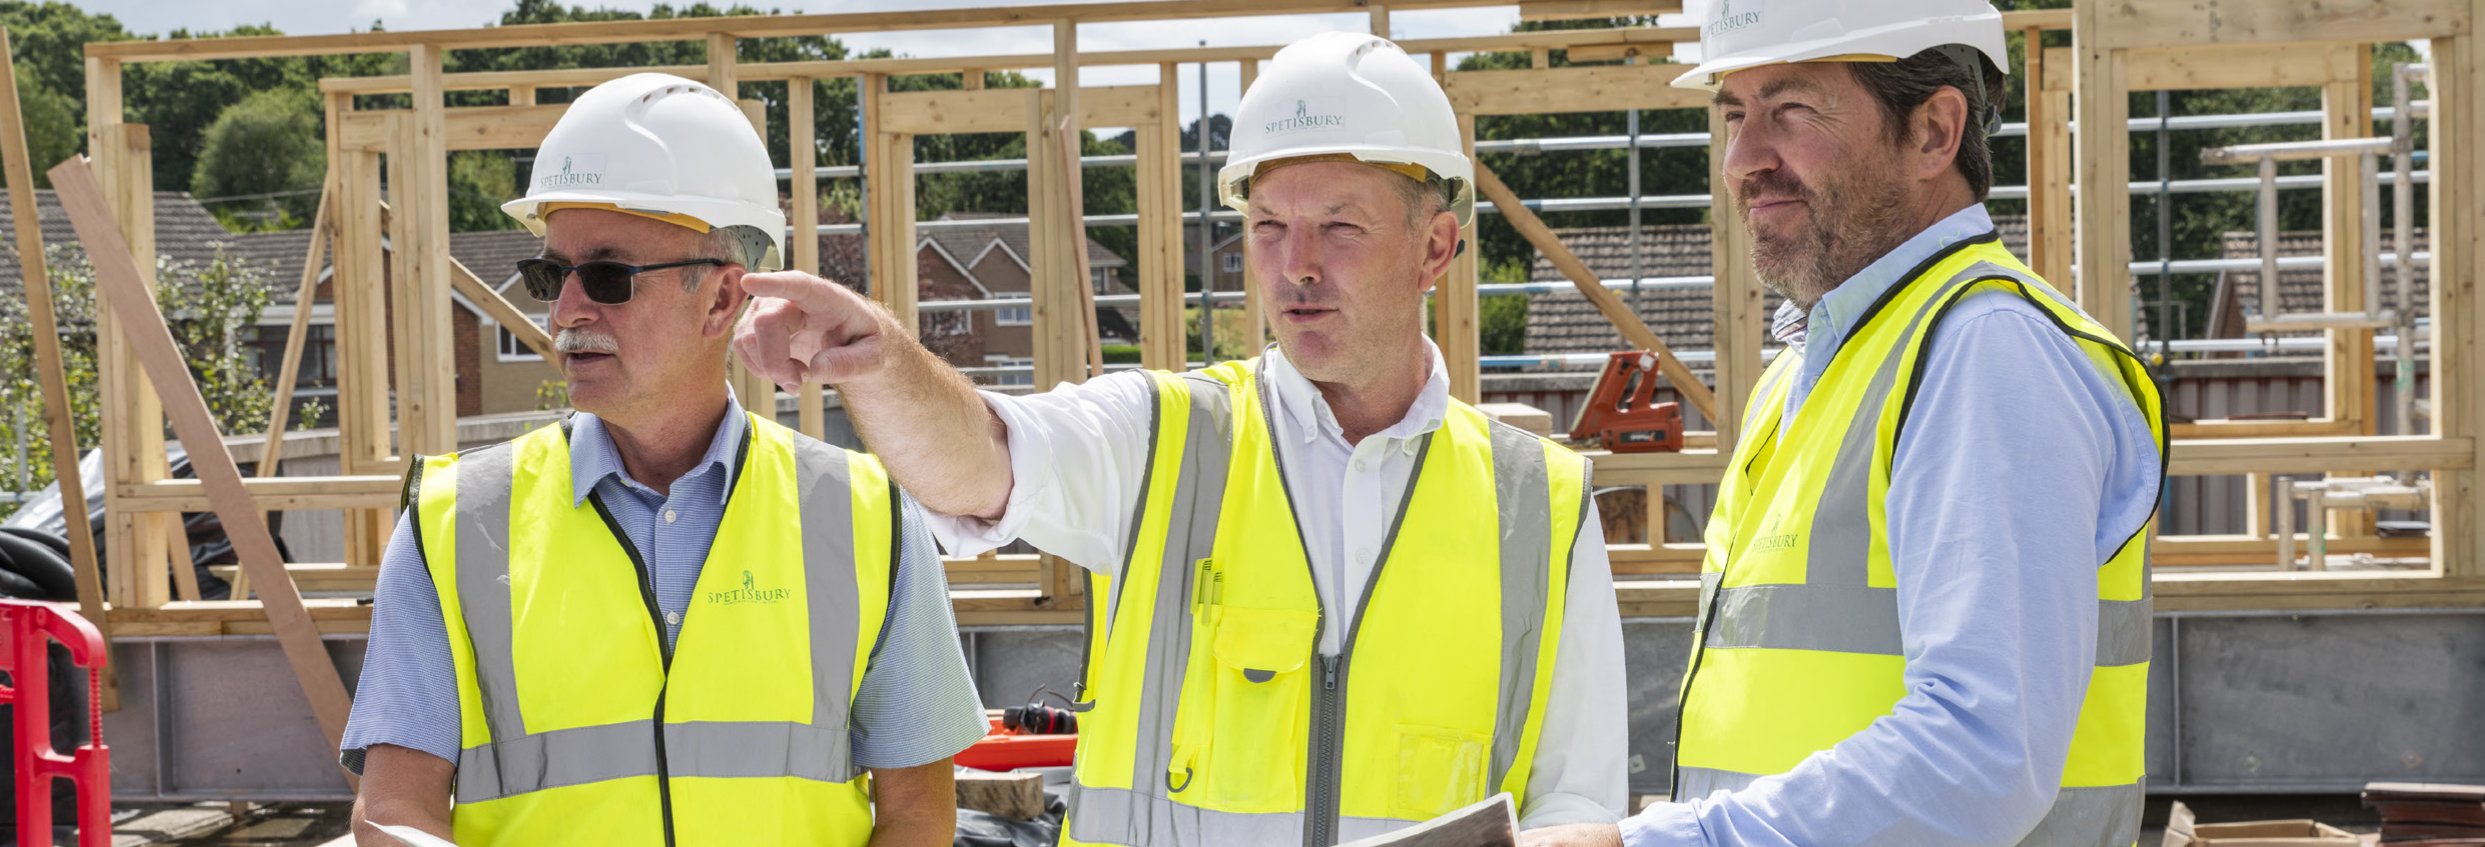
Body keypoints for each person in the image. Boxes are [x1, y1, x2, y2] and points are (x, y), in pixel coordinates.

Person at [736, 31, 1629, 846]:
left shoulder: (1537, 504)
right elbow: (979, 463)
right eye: (1269, 226)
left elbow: (1578, 797)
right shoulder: (1164, 438)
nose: (1296, 264)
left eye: (1340, 226)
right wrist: (880, 360)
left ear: (1435, 248)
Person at [1523, 2, 2167, 845]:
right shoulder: (1805, 371)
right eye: (1733, 115)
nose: (1745, 159)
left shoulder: (1983, 353)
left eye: (1790, 110)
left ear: (1933, 131)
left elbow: (1980, 752)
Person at [339, 72, 986, 846]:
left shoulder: (863, 515)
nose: (566, 309)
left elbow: (919, 813)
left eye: (608, 276)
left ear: (719, 300)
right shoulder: (451, 526)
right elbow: (390, 812)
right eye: (553, 274)